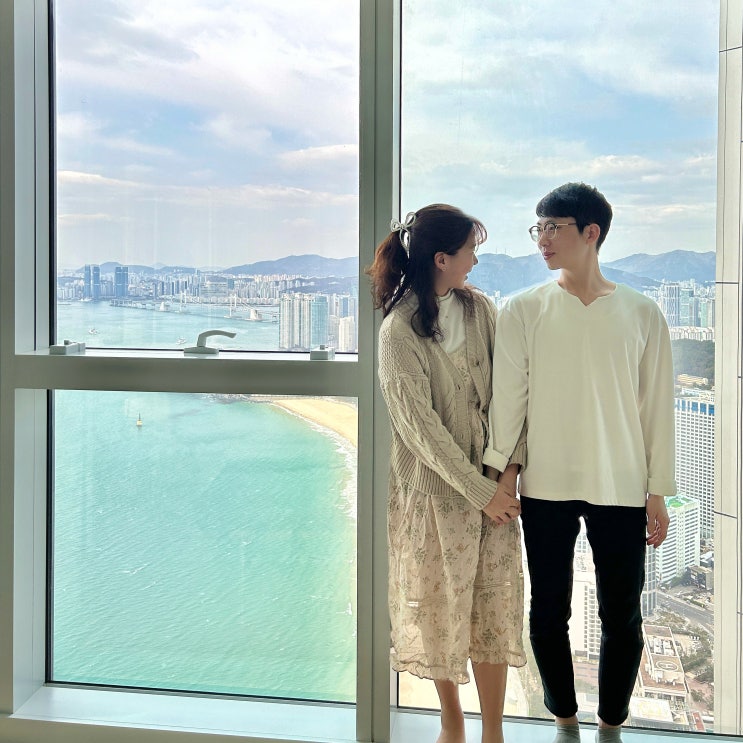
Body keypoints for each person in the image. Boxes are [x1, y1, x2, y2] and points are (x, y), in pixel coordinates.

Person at [483, 183, 676, 743]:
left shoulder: (642, 313)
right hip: (545, 482)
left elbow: (656, 408)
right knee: (548, 611)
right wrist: (501, 477)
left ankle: (611, 722)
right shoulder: (523, 309)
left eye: (554, 227)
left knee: (623, 616)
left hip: (621, 483)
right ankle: (564, 718)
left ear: (591, 233)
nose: (542, 239)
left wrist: (657, 491)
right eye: (538, 228)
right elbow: (508, 402)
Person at [368, 204, 527, 743]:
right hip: (435, 498)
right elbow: (421, 432)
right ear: (442, 259)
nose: (475, 262)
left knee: (492, 608)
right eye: (469, 252)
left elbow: (511, 397)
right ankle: (452, 721)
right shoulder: (397, 332)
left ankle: (493, 731)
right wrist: (481, 490)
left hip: (495, 493)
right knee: (440, 609)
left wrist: (506, 478)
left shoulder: (481, 311)